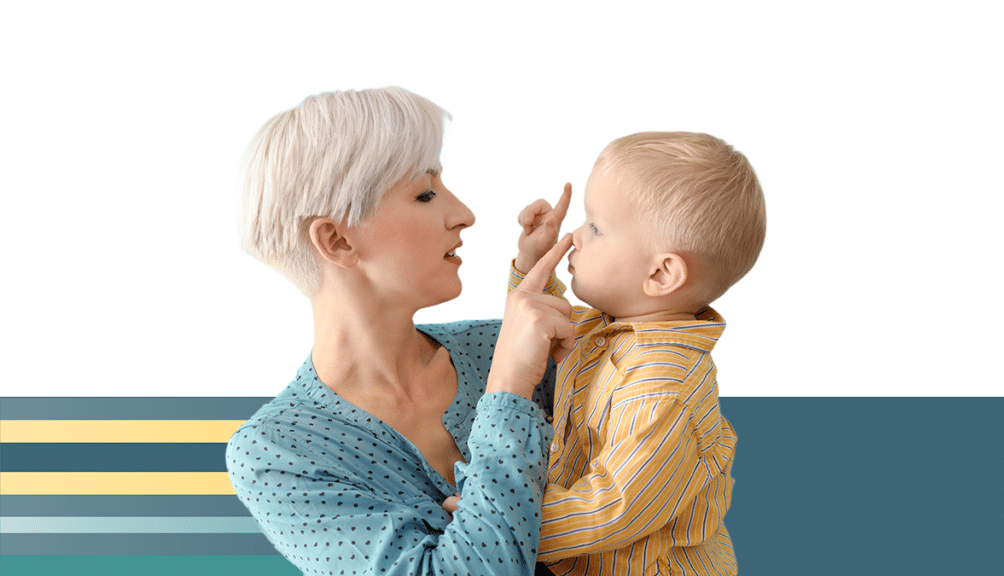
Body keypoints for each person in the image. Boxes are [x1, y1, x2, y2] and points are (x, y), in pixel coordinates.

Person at [225, 86, 577, 576]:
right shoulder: (279, 452)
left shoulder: (500, 347)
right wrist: (508, 390)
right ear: (337, 238)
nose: (464, 214)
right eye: (425, 193)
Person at [510, 132, 766, 575]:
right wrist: (532, 263)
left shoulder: (660, 389)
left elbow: (615, 506)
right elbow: (537, 334)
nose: (575, 236)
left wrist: (506, 525)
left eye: (595, 227)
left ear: (661, 273)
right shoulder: (612, 327)